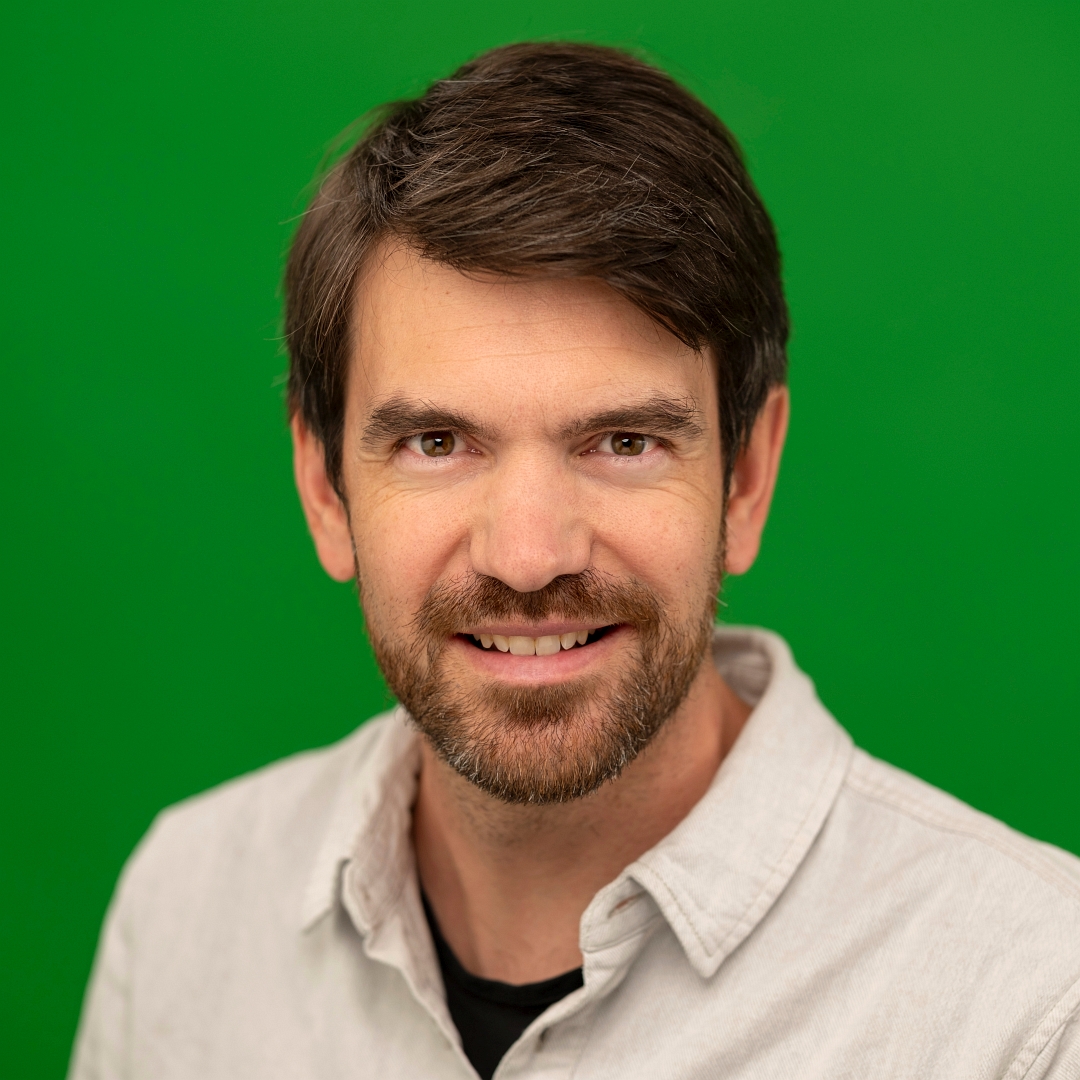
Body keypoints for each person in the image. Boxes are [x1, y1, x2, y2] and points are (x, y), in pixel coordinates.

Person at [70, 41, 1080, 1080]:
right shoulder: (188, 909)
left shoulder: (1035, 1011)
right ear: (325, 490)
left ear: (746, 479)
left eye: (624, 442)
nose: (526, 557)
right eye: (436, 443)